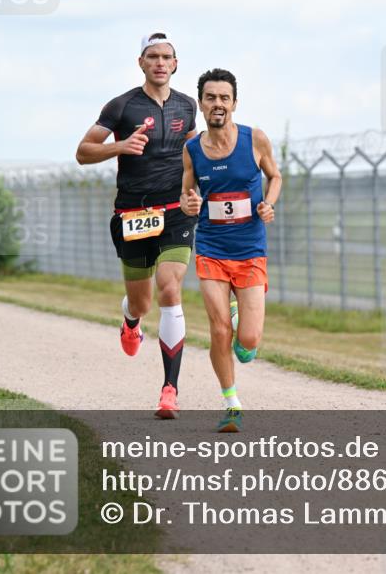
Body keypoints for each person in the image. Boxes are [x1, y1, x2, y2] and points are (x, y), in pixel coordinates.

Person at [75, 32, 198, 419]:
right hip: (133, 215)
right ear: (141, 63)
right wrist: (120, 146)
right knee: (143, 301)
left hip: (176, 213)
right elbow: (82, 152)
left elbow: (195, 155)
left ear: (175, 64)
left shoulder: (187, 105)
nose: (160, 62)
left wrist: (197, 193)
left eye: (167, 56)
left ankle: (169, 390)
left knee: (170, 287)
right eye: (152, 56)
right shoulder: (121, 106)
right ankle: (131, 320)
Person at [180, 68, 282, 433]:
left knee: (248, 342)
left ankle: (243, 322)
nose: (218, 104)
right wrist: (189, 205)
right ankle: (231, 403)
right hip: (210, 247)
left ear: (234, 103)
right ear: (201, 105)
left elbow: (276, 176)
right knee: (219, 330)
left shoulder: (255, 140)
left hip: (250, 248)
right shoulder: (192, 150)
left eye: (224, 98)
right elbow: (187, 194)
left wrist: (269, 203)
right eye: (211, 98)